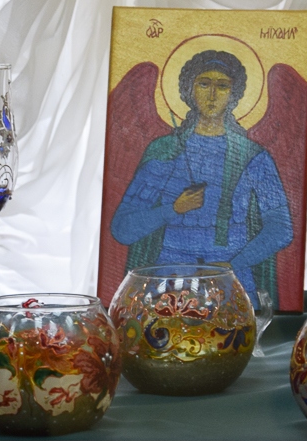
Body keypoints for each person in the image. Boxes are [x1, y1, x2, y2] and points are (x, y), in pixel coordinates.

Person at [110, 49, 294, 303]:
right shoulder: (166, 151)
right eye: (204, 84)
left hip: (231, 280)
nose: (212, 94)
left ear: (234, 94)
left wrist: (233, 264)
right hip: (169, 282)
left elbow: (281, 228)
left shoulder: (253, 156)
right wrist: (172, 209)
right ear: (190, 90)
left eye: (222, 86)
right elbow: (122, 229)